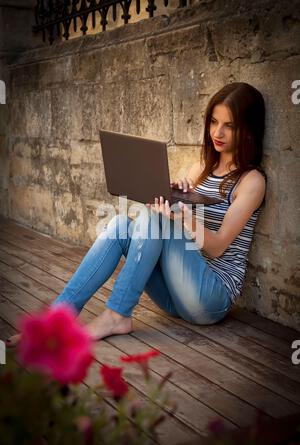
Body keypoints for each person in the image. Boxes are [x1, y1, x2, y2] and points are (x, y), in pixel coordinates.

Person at [6, 82, 266, 347]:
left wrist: (182, 216)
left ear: (247, 131)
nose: (217, 132)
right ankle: (54, 321)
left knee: (157, 216)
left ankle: (116, 314)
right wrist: (174, 192)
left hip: (210, 298)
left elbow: (219, 247)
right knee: (121, 224)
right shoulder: (200, 167)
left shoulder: (251, 181)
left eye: (229, 125)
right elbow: (170, 221)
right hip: (175, 296)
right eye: (213, 121)